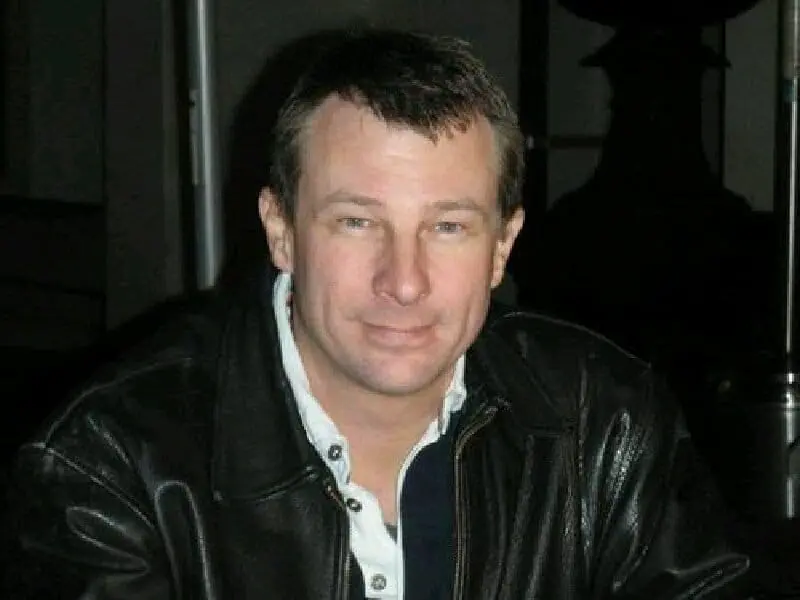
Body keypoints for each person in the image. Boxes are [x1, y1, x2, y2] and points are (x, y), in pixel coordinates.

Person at [3, 29, 747, 599]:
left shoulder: (607, 423)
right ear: (280, 230)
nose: (405, 281)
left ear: (502, 245)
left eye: (447, 226)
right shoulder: (111, 469)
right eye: (357, 222)